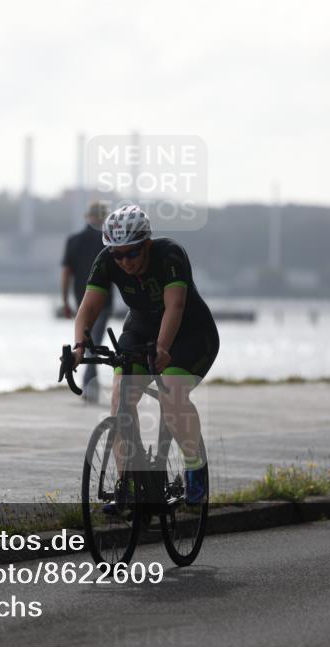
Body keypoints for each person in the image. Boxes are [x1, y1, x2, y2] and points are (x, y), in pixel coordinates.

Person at [69, 204, 219, 505]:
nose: (124, 261)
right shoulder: (107, 259)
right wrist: (78, 347)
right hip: (140, 328)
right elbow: (88, 308)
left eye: (132, 253)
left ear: (146, 244)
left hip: (189, 333)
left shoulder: (169, 254)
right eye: (117, 254)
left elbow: (175, 306)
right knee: (120, 398)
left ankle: (194, 466)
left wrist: (163, 349)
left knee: (172, 394)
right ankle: (128, 483)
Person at [61, 202, 112, 404]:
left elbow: (66, 273)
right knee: (93, 344)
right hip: (104, 302)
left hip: (81, 301)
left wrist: (65, 301)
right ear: (104, 218)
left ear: (87, 217)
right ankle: (90, 387)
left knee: (86, 344)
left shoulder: (73, 241)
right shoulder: (108, 242)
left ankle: (88, 387)